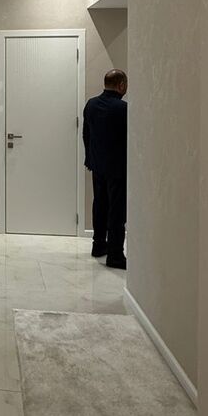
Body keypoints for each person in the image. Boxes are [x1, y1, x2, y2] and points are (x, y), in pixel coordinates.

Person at [82, 69, 128, 269]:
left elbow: (86, 134)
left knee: (100, 205)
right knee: (116, 211)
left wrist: (90, 158)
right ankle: (115, 255)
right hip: (118, 168)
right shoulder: (124, 108)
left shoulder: (91, 105)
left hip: (97, 165)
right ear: (121, 85)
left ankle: (99, 245)